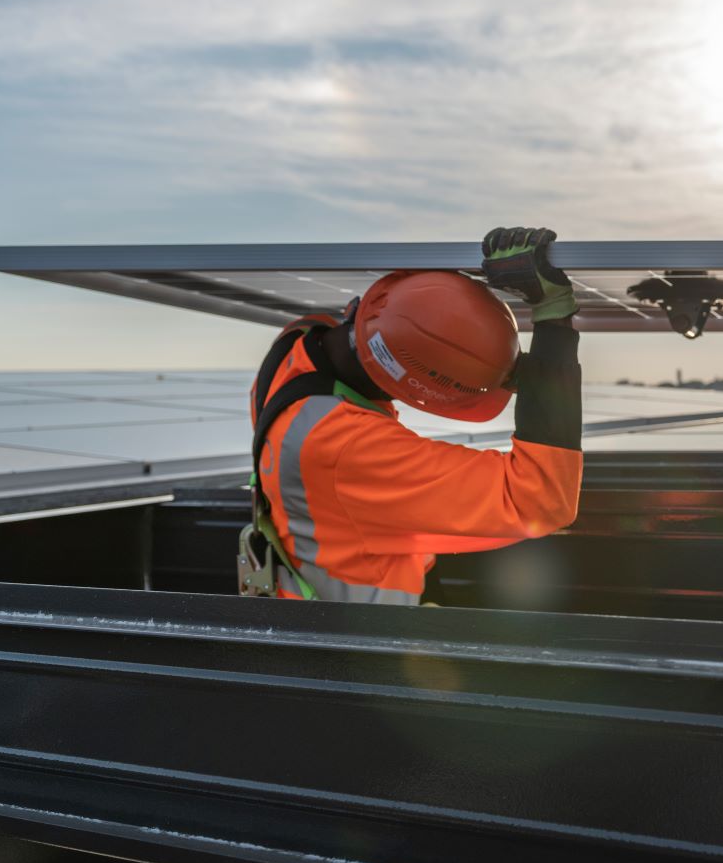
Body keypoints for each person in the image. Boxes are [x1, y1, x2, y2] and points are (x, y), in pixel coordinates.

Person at [238, 227, 583, 602]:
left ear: (356, 309)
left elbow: (404, 324)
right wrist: (553, 318)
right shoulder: (348, 446)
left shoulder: (297, 346)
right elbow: (539, 499)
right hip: (361, 645)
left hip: (308, 618)